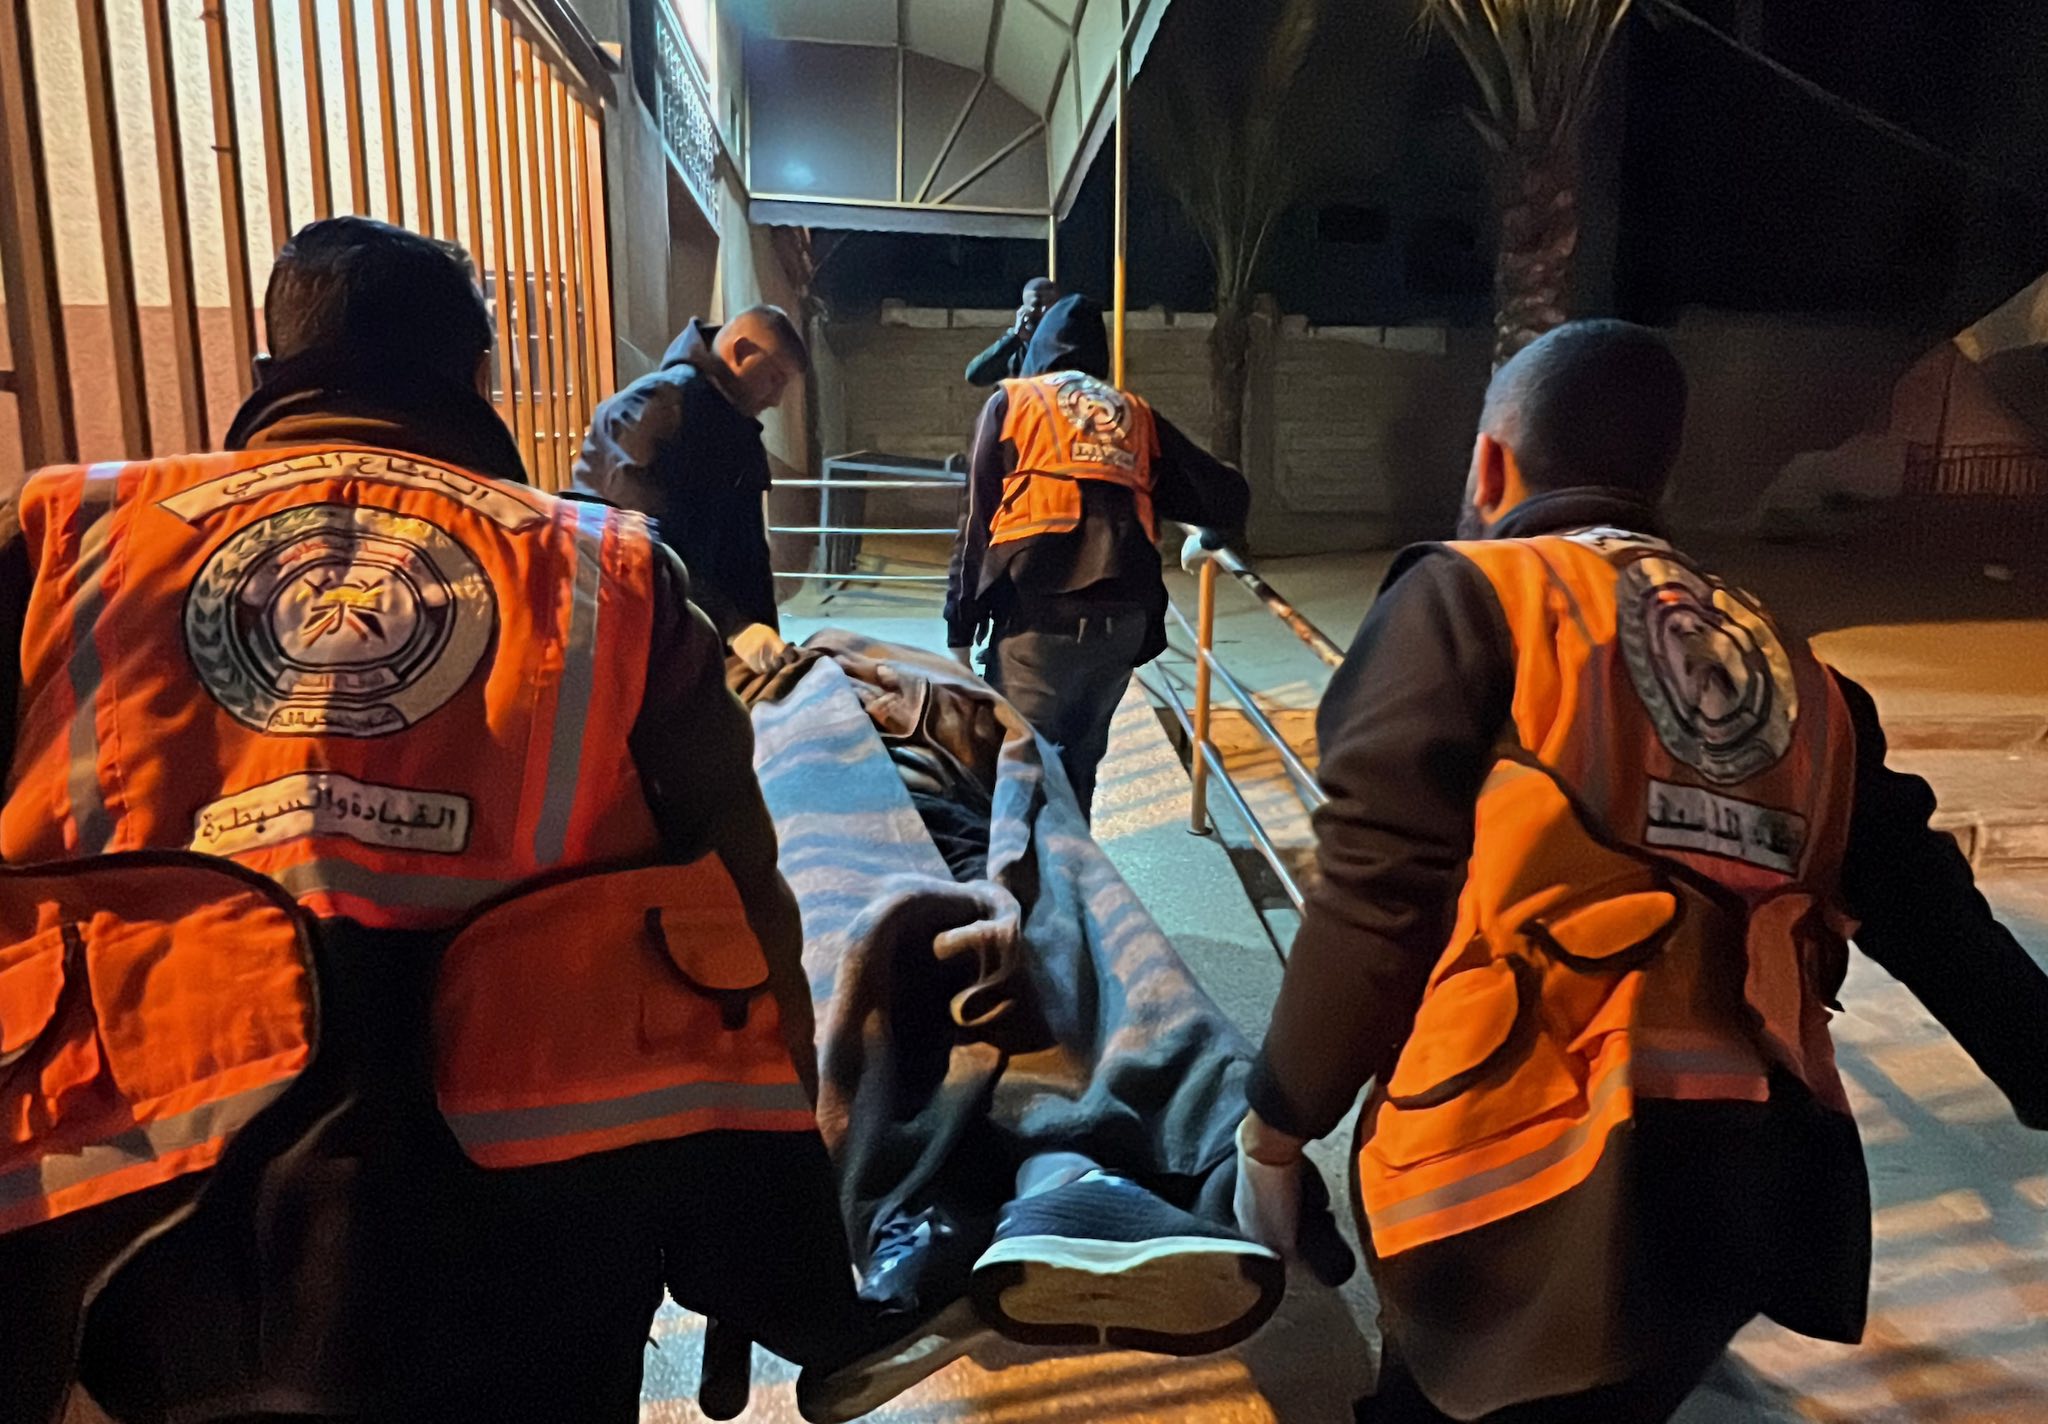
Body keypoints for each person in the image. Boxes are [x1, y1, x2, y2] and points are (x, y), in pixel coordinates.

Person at [0, 218, 865, 1424]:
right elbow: (742, 908)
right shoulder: (605, 573)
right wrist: (770, 1235)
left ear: (272, 369)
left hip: (131, 1238)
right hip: (529, 1239)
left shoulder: (63, 543)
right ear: (474, 375)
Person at [1230, 320, 2048, 1423]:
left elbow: (1375, 896)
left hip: (1513, 1188)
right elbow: (1934, 915)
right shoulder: (1800, 671)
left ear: (1490, 463)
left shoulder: (1472, 598)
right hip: (1740, 1194)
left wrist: (1275, 1132)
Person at [945, 294, 1248, 815]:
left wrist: (959, 628)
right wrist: (1207, 534)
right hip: (1122, 626)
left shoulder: (1013, 401)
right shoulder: (1134, 415)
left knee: (1016, 772)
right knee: (1079, 767)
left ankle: (1021, 866)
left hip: (1038, 623)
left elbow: (976, 525)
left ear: (1039, 349)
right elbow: (1223, 494)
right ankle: (1074, 857)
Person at [572, 306, 809, 674]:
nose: (776, 399)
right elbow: (634, 547)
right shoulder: (654, 408)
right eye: (775, 379)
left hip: (704, 637)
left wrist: (765, 640)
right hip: (638, 646)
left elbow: (748, 551)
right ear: (742, 351)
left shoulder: (734, 423)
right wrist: (735, 627)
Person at [964, 277, 1060, 387]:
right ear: (1023, 311)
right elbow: (976, 376)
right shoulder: (1015, 346)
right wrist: (1015, 338)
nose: (1045, 310)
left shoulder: (1067, 341)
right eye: (1037, 305)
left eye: (1052, 304)